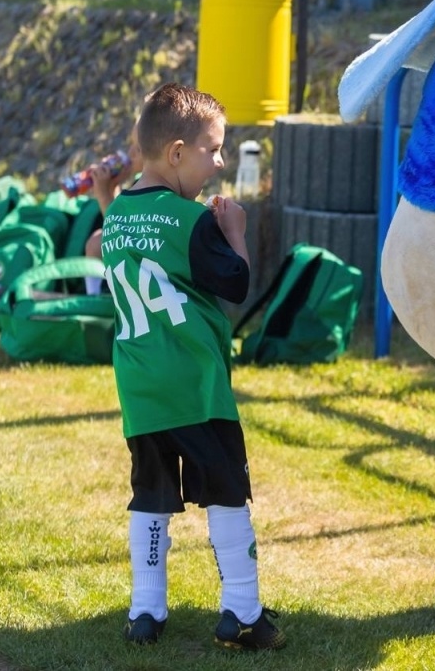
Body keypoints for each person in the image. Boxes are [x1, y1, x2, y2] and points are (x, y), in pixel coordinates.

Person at [99, 83, 284, 651]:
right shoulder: (191, 220)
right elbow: (235, 285)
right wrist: (235, 234)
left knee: (151, 493)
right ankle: (243, 613)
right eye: (214, 149)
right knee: (227, 491)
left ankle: (146, 612)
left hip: (140, 383)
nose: (221, 162)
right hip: (196, 385)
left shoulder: (117, 214)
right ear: (177, 152)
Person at [84, 136, 143, 294]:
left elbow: (120, 233)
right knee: (97, 240)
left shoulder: (148, 189)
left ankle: (96, 301)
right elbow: (121, 216)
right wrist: (112, 186)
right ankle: (94, 297)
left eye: (137, 148)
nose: (129, 152)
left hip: (142, 276)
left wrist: (103, 194)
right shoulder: (140, 182)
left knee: (97, 242)